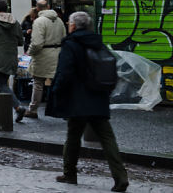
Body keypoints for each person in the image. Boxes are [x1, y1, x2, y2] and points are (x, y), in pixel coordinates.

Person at [49, 11, 129, 191]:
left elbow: (65, 72)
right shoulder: (98, 42)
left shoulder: (71, 44)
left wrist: (56, 92)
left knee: (73, 137)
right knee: (108, 138)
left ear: (72, 26)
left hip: (78, 99)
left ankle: (69, 173)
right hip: (98, 96)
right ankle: (120, 176)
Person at [0, 0, 26, 122]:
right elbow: (21, 41)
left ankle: (18, 107)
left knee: (2, 85)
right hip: (12, 58)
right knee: (4, 84)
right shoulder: (15, 22)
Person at [26, 1, 66, 119]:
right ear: (48, 7)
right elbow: (64, 37)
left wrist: (30, 52)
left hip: (43, 54)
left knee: (38, 83)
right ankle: (64, 109)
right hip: (57, 53)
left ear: (38, 9)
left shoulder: (39, 21)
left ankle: (33, 110)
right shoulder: (59, 20)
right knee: (59, 83)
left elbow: (37, 43)